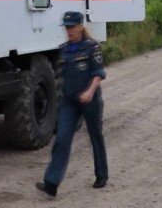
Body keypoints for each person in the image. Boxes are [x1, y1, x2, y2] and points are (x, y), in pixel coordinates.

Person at [36, 11, 109, 198]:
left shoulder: (92, 47)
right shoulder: (65, 49)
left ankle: (101, 175)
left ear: (80, 26)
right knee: (62, 138)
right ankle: (51, 183)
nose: (68, 31)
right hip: (70, 102)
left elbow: (98, 73)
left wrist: (90, 92)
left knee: (95, 136)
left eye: (71, 27)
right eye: (66, 27)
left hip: (90, 99)